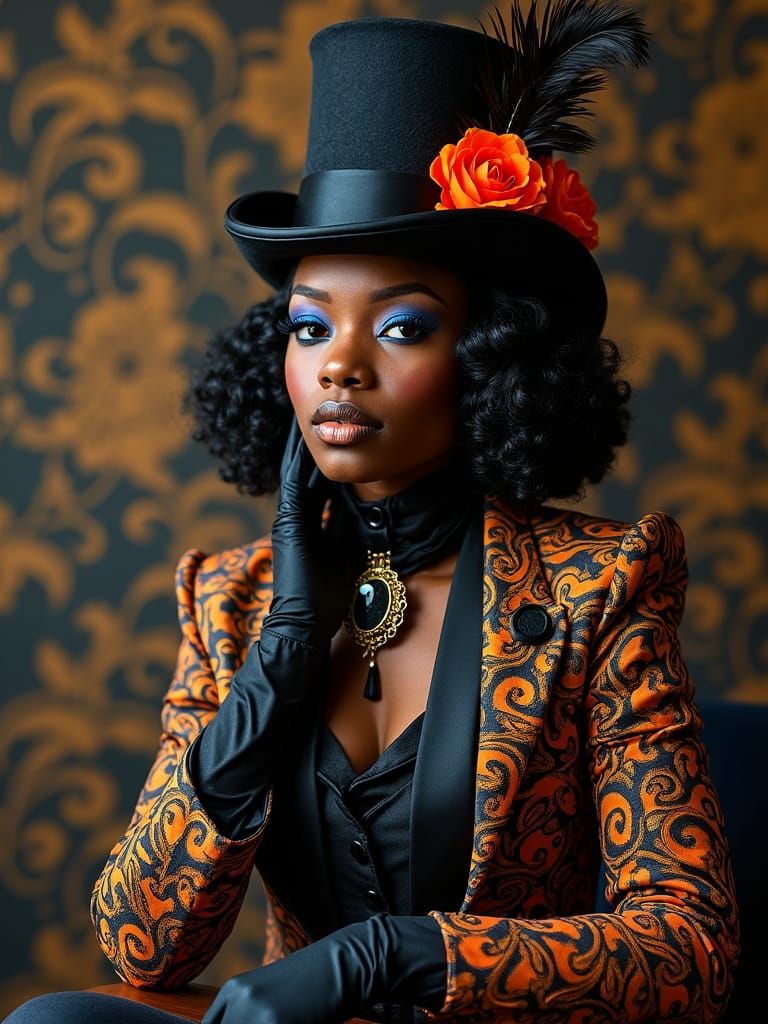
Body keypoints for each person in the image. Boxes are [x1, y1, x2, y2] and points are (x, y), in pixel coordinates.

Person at [5, 4, 739, 1024]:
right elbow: (142, 941)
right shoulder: (231, 600)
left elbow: (688, 944)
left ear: (488, 357)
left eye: (400, 324)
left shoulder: (599, 589)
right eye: (310, 325)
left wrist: (392, 958)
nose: (340, 363)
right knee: (58, 1020)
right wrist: (282, 658)